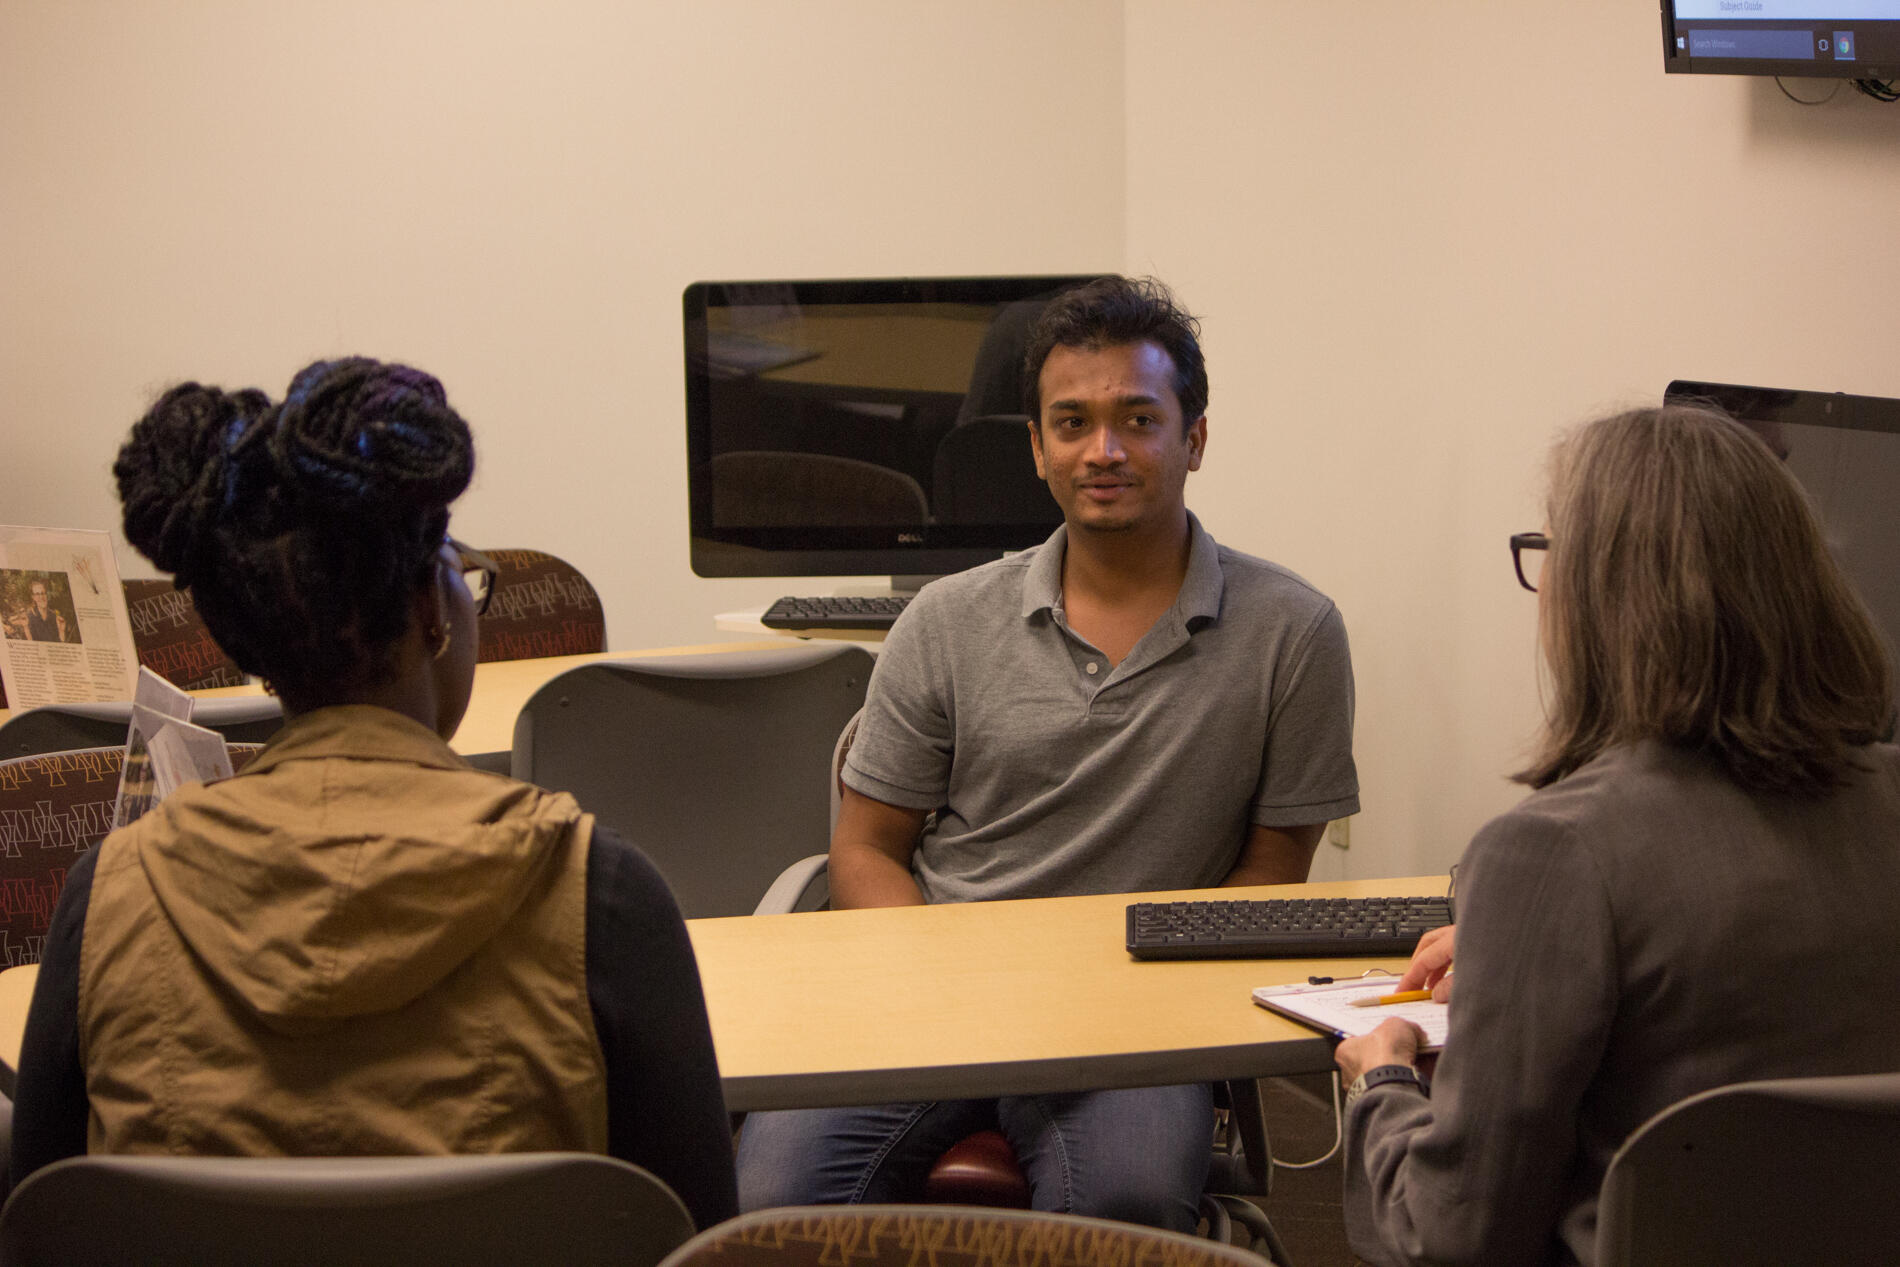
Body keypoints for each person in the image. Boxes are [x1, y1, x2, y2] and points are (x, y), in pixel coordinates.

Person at [9, 358, 739, 1230]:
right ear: (434, 611)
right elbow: (697, 1236)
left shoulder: (108, 896)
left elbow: (44, 1223)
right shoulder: (601, 898)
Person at [737, 276, 1360, 1232]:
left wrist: (1146, 1002)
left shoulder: (1293, 632)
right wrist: (949, 983)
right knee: (770, 1203)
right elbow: (864, 849)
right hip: (935, 986)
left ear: (1193, 438)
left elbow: (1273, 873)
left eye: (1137, 419)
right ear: (1036, 447)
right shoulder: (946, 620)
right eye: (1071, 422)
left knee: (1129, 1204)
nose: (1102, 450)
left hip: (1131, 1014)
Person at [1335, 405, 1900, 1267]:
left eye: (1550, 551)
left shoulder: (1551, 853)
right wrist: (1521, 950)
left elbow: (1452, 1234)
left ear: (1601, 591)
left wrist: (1382, 1081)